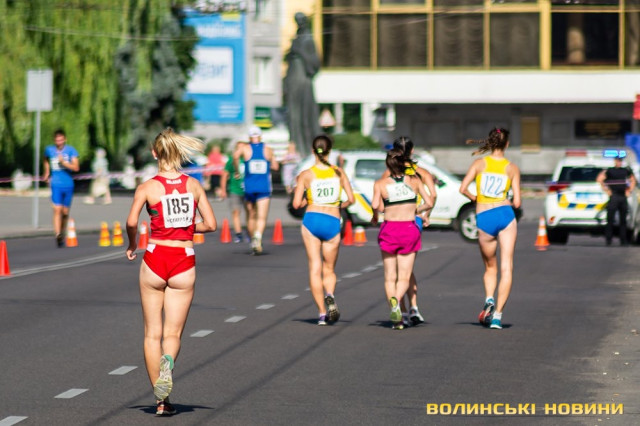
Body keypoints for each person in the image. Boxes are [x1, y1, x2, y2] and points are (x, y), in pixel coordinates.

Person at [125, 128, 217, 416]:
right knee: (172, 333)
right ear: (178, 153)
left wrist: (132, 243)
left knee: (151, 334)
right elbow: (211, 224)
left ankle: (161, 401)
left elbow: (131, 221)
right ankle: (168, 364)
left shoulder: (147, 188)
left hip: (155, 257)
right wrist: (187, 227)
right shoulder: (194, 186)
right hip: (183, 260)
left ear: (155, 153)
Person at [459, 127, 521, 330]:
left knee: (490, 266)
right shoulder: (512, 168)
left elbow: (462, 188)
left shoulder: (479, 164)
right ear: (507, 144)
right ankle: (497, 317)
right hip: (505, 214)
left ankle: (489, 299)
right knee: (507, 267)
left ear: (491, 142)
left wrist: (476, 198)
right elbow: (517, 202)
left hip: (484, 216)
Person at [292, 135, 355, 325]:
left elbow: (296, 204)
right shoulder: (338, 172)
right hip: (332, 220)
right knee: (329, 269)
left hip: (312, 219)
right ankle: (330, 295)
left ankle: (321, 313)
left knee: (315, 268)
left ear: (313, 151)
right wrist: (337, 205)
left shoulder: (306, 174)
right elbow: (351, 199)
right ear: (330, 151)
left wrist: (307, 199)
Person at [371, 148, 433, 330]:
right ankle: (397, 301)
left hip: (389, 229)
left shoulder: (380, 184)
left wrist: (377, 214)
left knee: (389, 277)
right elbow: (429, 202)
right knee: (404, 276)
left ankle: (396, 313)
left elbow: (375, 205)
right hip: (408, 229)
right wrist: (415, 209)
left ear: (388, 164)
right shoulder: (414, 181)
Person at [233, 126, 279, 255]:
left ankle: (253, 239)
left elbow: (235, 156)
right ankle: (257, 237)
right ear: (260, 136)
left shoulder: (245, 148)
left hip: (249, 186)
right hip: (263, 187)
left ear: (249, 137)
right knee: (261, 217)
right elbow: (275, 166)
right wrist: (268, 164)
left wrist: (237, 171)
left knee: (251, 215)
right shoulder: (268, 150)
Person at [284, 12, 321, 158]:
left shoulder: (307, 39)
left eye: (300, 21)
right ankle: (298, 147)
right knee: (294, 115)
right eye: (297, 21)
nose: (299, 24)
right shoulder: (298, 38)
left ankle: (306, 149)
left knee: (305, 116)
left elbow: (315, 63)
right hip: (293, 77)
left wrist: (298, 52)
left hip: (302, 78)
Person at [42, 129, 80, 248]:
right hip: (55, 184)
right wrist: (47, 172)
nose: (59, 142)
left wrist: (64, 163)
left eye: (61, 140)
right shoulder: (49, 150)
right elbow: (45, 159)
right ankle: (57, 234)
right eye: (57, 140)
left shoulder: (71, 151)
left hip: (68, 184)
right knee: (57, 209)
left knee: (65, 212)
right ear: (54, 140)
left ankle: (62, 232)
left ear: (65, 139)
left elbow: (76, 167)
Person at [597, 153, 637, 246]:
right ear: (615, 161)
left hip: (622, 196)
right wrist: (607, 190)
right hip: (614, 196)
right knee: (610, 219)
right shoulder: (610, 171)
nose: (619, 162)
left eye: (620, 161)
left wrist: (629, 190)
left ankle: (623, 240)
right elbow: (600, 179)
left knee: (623, 220)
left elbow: (633, 180)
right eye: (618, 160)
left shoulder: (625, 170)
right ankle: (608, 239)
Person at [220, 141, 249, 243]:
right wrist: (223, 190)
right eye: (238, 148)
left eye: (243, 148)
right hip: (235, 189)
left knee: (249, 212)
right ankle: (238, 233)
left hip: (248, 190)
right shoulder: (231, 160)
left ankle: (249, 232)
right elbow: (224, 175)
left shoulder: (249, 159)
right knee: (236, 211)